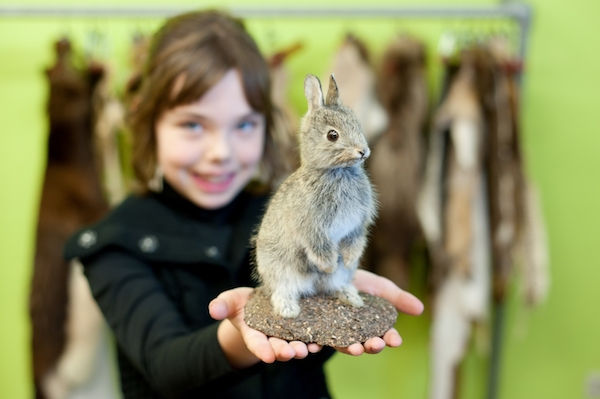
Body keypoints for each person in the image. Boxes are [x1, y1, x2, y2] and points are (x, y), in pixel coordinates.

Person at [64, 9, 424, 399]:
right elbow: (164, 365)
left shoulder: (281, 205)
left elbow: (311, 341)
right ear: (147, 119)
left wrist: (332, 292)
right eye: (193, 125)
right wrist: (246, 329)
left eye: (244, 125)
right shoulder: (114, 243)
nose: (221, 152)